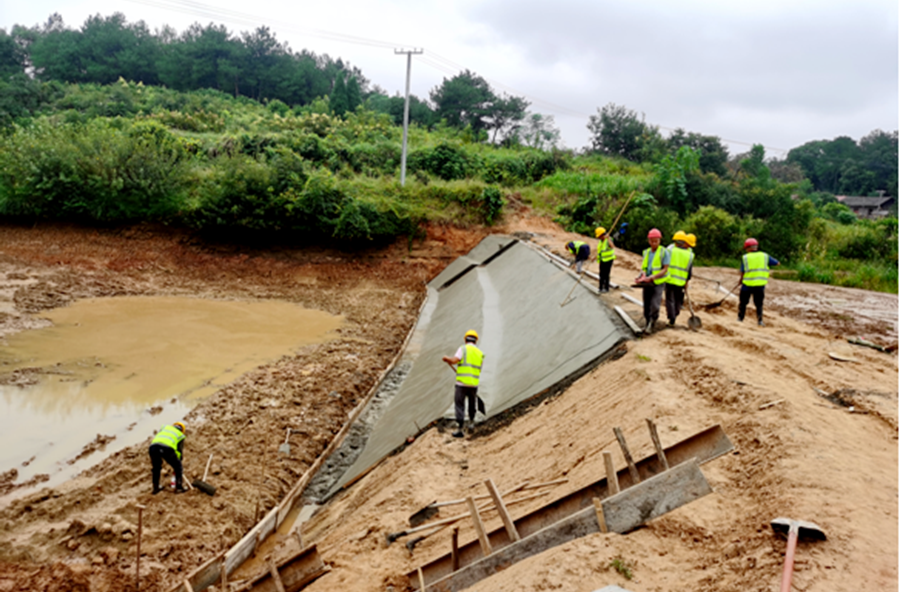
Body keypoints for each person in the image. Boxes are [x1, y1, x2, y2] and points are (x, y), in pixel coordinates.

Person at [442, 330, 486, 438]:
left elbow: (455, 360)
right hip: (473, 384)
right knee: (472, 404)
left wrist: (447, 359)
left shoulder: (463, 349)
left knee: (459, 405)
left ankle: (460, 429)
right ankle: (471, 423)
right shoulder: (480, 353)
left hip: (461, 384)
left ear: (465, 339)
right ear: (475, 341)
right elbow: (479, 370)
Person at [635, 228, 670, 333]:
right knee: (646, 303)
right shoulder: (646, 252)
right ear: (648, 240)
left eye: (656, 241)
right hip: (647, 282)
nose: (654, 243)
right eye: (652, 241)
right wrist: (642, 275)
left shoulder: (664, 252)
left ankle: (653, 321)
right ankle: (647, 322)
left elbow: (665, 269)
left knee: (655, 303)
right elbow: (644, 267)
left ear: (659, 240)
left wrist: (653, 277)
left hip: (658, 282)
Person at [738, 238, 780, 326]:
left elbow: (742, 271)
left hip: (747, 284)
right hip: (760, 285)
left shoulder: (745, 257)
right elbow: (777, 263)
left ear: (747, 248)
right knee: (759, 304)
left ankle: (740, 319)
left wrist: (740, 280)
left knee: (743, 302)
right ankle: (760, 321)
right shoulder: (765, 256)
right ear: (756, 247)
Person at [664, 231, 695, 326]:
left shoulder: (670, 250)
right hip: (681, 281)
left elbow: (663, 263)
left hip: (669, 279)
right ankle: (676, 314)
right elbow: (689, 271)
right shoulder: (690, 254)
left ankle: (671, 317)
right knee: (678, 300)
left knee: (670, 299)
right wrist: (687, 282)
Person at [149, 421, 186, 494]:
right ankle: (179, 487)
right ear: (182, 430)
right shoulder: (180, 435)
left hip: (153, 447)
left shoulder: (164, 427)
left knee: (156, 468)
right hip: (167, 449)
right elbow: (179, 451)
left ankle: (156, 487)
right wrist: (179, 461)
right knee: (178, 467)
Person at [595, 226, 616, 293]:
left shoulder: (608, 240)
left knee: (606, 274)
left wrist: (608, 238)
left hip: (608, 260)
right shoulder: (601, 241)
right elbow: (600, 251)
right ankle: (600, 287)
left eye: (599, 236)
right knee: (601, 274)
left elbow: (612, 246)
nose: (598, 237)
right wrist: (596, 257)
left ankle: (606, 288)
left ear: (602, 235)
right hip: (602, 260)